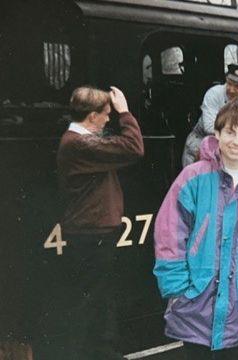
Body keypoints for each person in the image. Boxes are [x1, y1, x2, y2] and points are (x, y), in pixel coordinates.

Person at [153, 99, 238, 359]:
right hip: (196, 300)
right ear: (218, 133)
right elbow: (170, 234)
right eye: (230, 132)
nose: (237, 141)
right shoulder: (193, 177)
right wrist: (179, 289)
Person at [39, 86, 144, 359]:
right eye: (106, 114)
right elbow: (134, 147)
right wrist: (125, 113)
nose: (109, 119)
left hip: (92, 230)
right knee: (94, 300)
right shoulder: (78, 143)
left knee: (97, 297)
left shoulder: (81, 139)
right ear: (92, 116)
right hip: (91, 232)